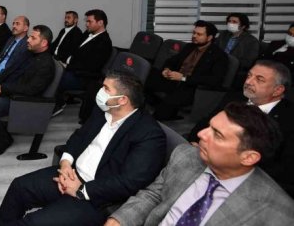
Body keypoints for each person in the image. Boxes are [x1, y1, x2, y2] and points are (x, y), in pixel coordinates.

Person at [0, 72, 166, 226]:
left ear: (122, 100)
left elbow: (130, 182)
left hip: (97, 196)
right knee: (19, 187)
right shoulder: (103, 111)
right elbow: (79, 137)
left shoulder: (148, 134)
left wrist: (82, 190)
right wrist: (65, 165)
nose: (100, 92)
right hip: (71, 174)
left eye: (106, 89)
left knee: (33, 223)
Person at [106, 103, 294, 226]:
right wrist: (121, 219)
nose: (201, 134)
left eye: (217, 135)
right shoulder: (186, 156)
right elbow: (154, 195)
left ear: (248, 157)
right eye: (209, 127)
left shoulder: (278, 214)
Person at [188, 60, 294, 197]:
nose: (248, 82)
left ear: (278, 90)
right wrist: (195, 143)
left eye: (259, 79)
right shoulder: (234, 97)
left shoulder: (289, 118)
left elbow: (285, 168)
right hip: (205, 162)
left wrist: (233, 166)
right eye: (249, 75)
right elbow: (204, 124)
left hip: (249, 186)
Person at [0, 25, 56, 156]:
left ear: (44, 43)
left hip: (23, 99)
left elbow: (31, 89)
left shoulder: (45, 64)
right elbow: (11, 69)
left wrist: (3, 88)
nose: (28, 40)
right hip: (13, 89)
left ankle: (4, 140)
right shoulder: (30, 53)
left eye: (33, 38)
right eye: (29, 37)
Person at [145, 20, 228, 120]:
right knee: (146, 78)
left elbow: (214, 80)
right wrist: (166, 69)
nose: (194, 36)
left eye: (199, 34)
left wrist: (184, 78)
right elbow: (172, 61)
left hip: (192, 86)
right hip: (175, 79)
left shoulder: (219, 55)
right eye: (194, 33)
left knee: (170, 101)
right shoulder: (189, 47)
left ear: (209, 37)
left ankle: (155, 120)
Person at [52, 9, 113, 121]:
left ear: (100, 23)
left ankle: (57, 104)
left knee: (53, 77)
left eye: (90, 21)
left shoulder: (104, 42)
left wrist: (67, 66)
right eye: (86, 21)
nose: (86, 24)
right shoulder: (88, 33)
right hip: (72, 68)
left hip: (83, 77)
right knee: (48, 70)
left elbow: (91, 67)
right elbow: (75, 51)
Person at [215, 13, 260, 90]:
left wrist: (231, 62)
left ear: (243, 26)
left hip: (235, 68)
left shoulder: (252, 41)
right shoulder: (223, 35)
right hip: (218, 64)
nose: (230, 23)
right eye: (229, 21)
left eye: (234, 22)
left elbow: (248, 62)